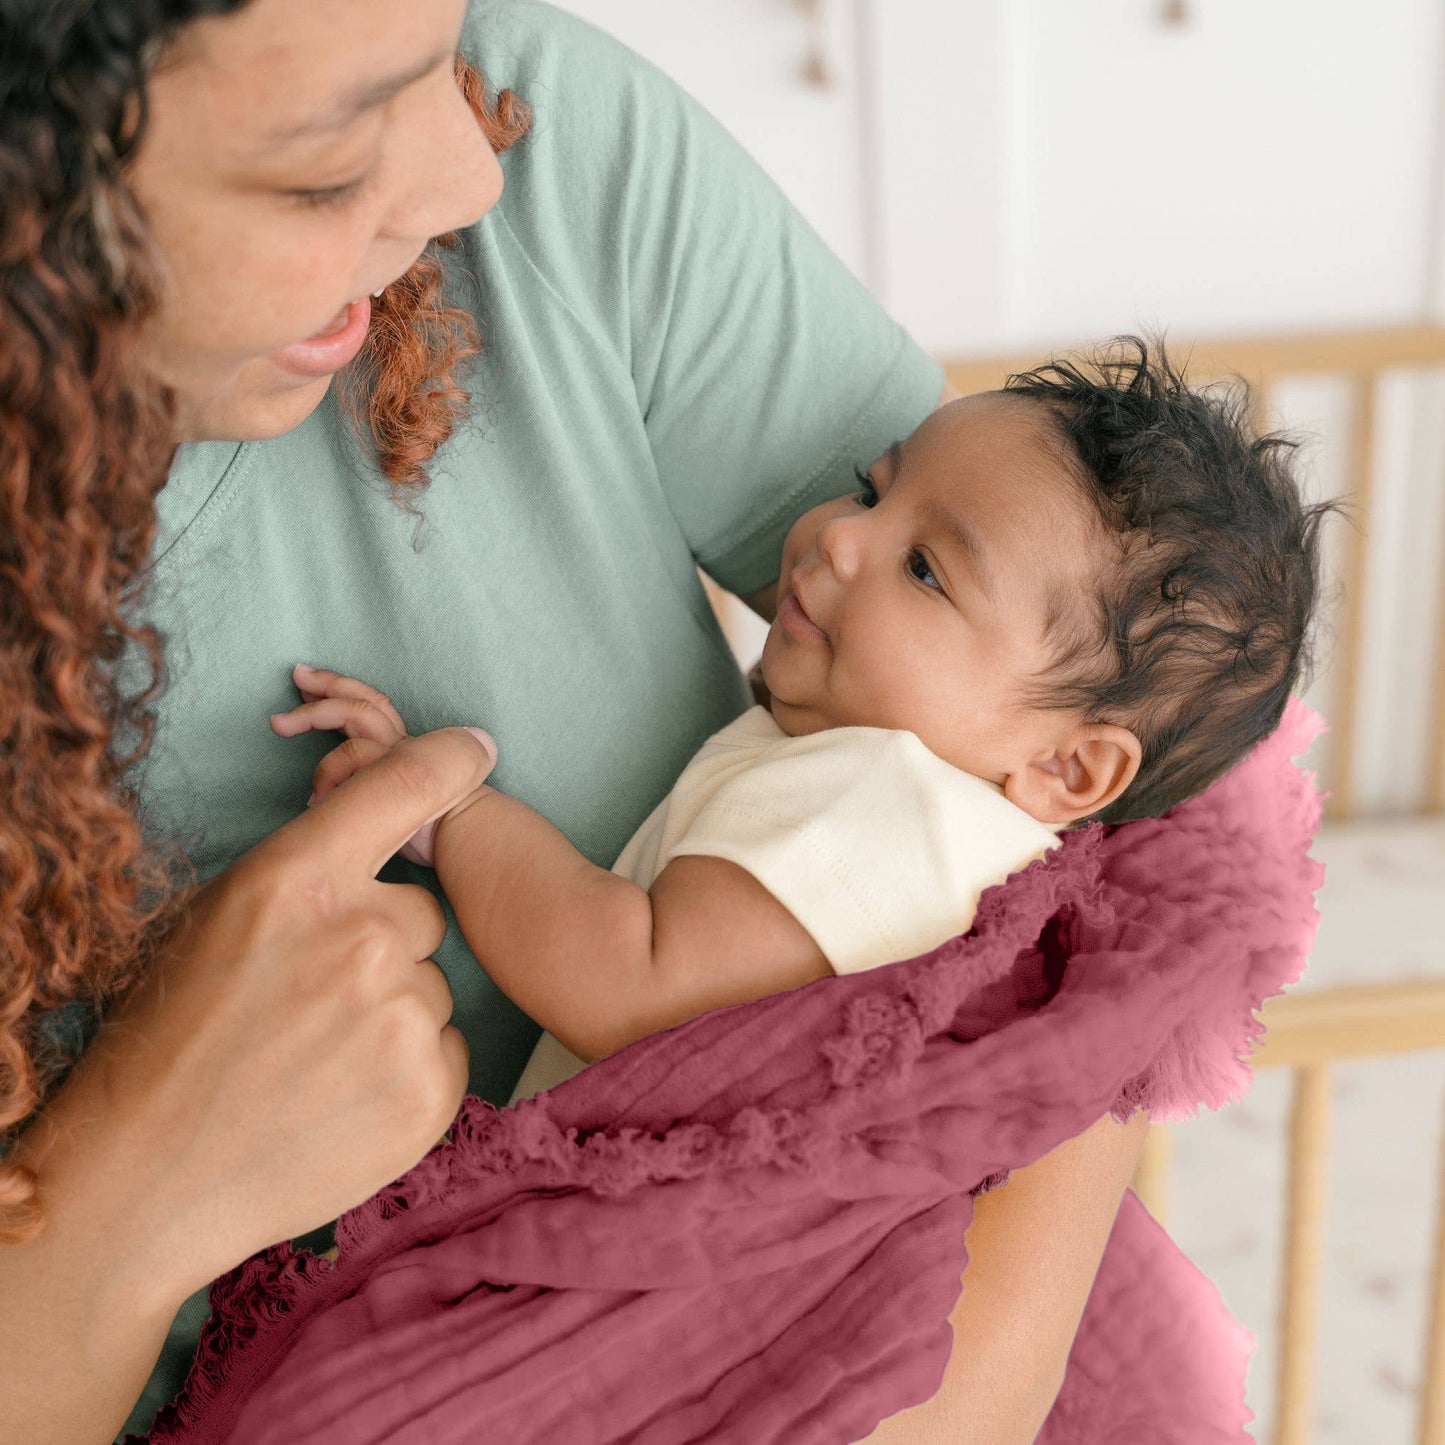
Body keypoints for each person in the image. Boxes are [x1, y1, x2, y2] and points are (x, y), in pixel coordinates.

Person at [0, 2, 1154, 1442]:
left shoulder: (532, 125)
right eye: (321, 163)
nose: (469, 178)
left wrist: (973, 1382)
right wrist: (133, 1190)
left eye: (441, 47)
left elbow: (1130, 725)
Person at [268, 338, 1331, 1103]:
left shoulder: (882, 805)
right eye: (873, 492)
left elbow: (624, 979)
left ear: (1068, 766)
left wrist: (448, 808)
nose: (836, 539)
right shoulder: (886, 779)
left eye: (924, 568)